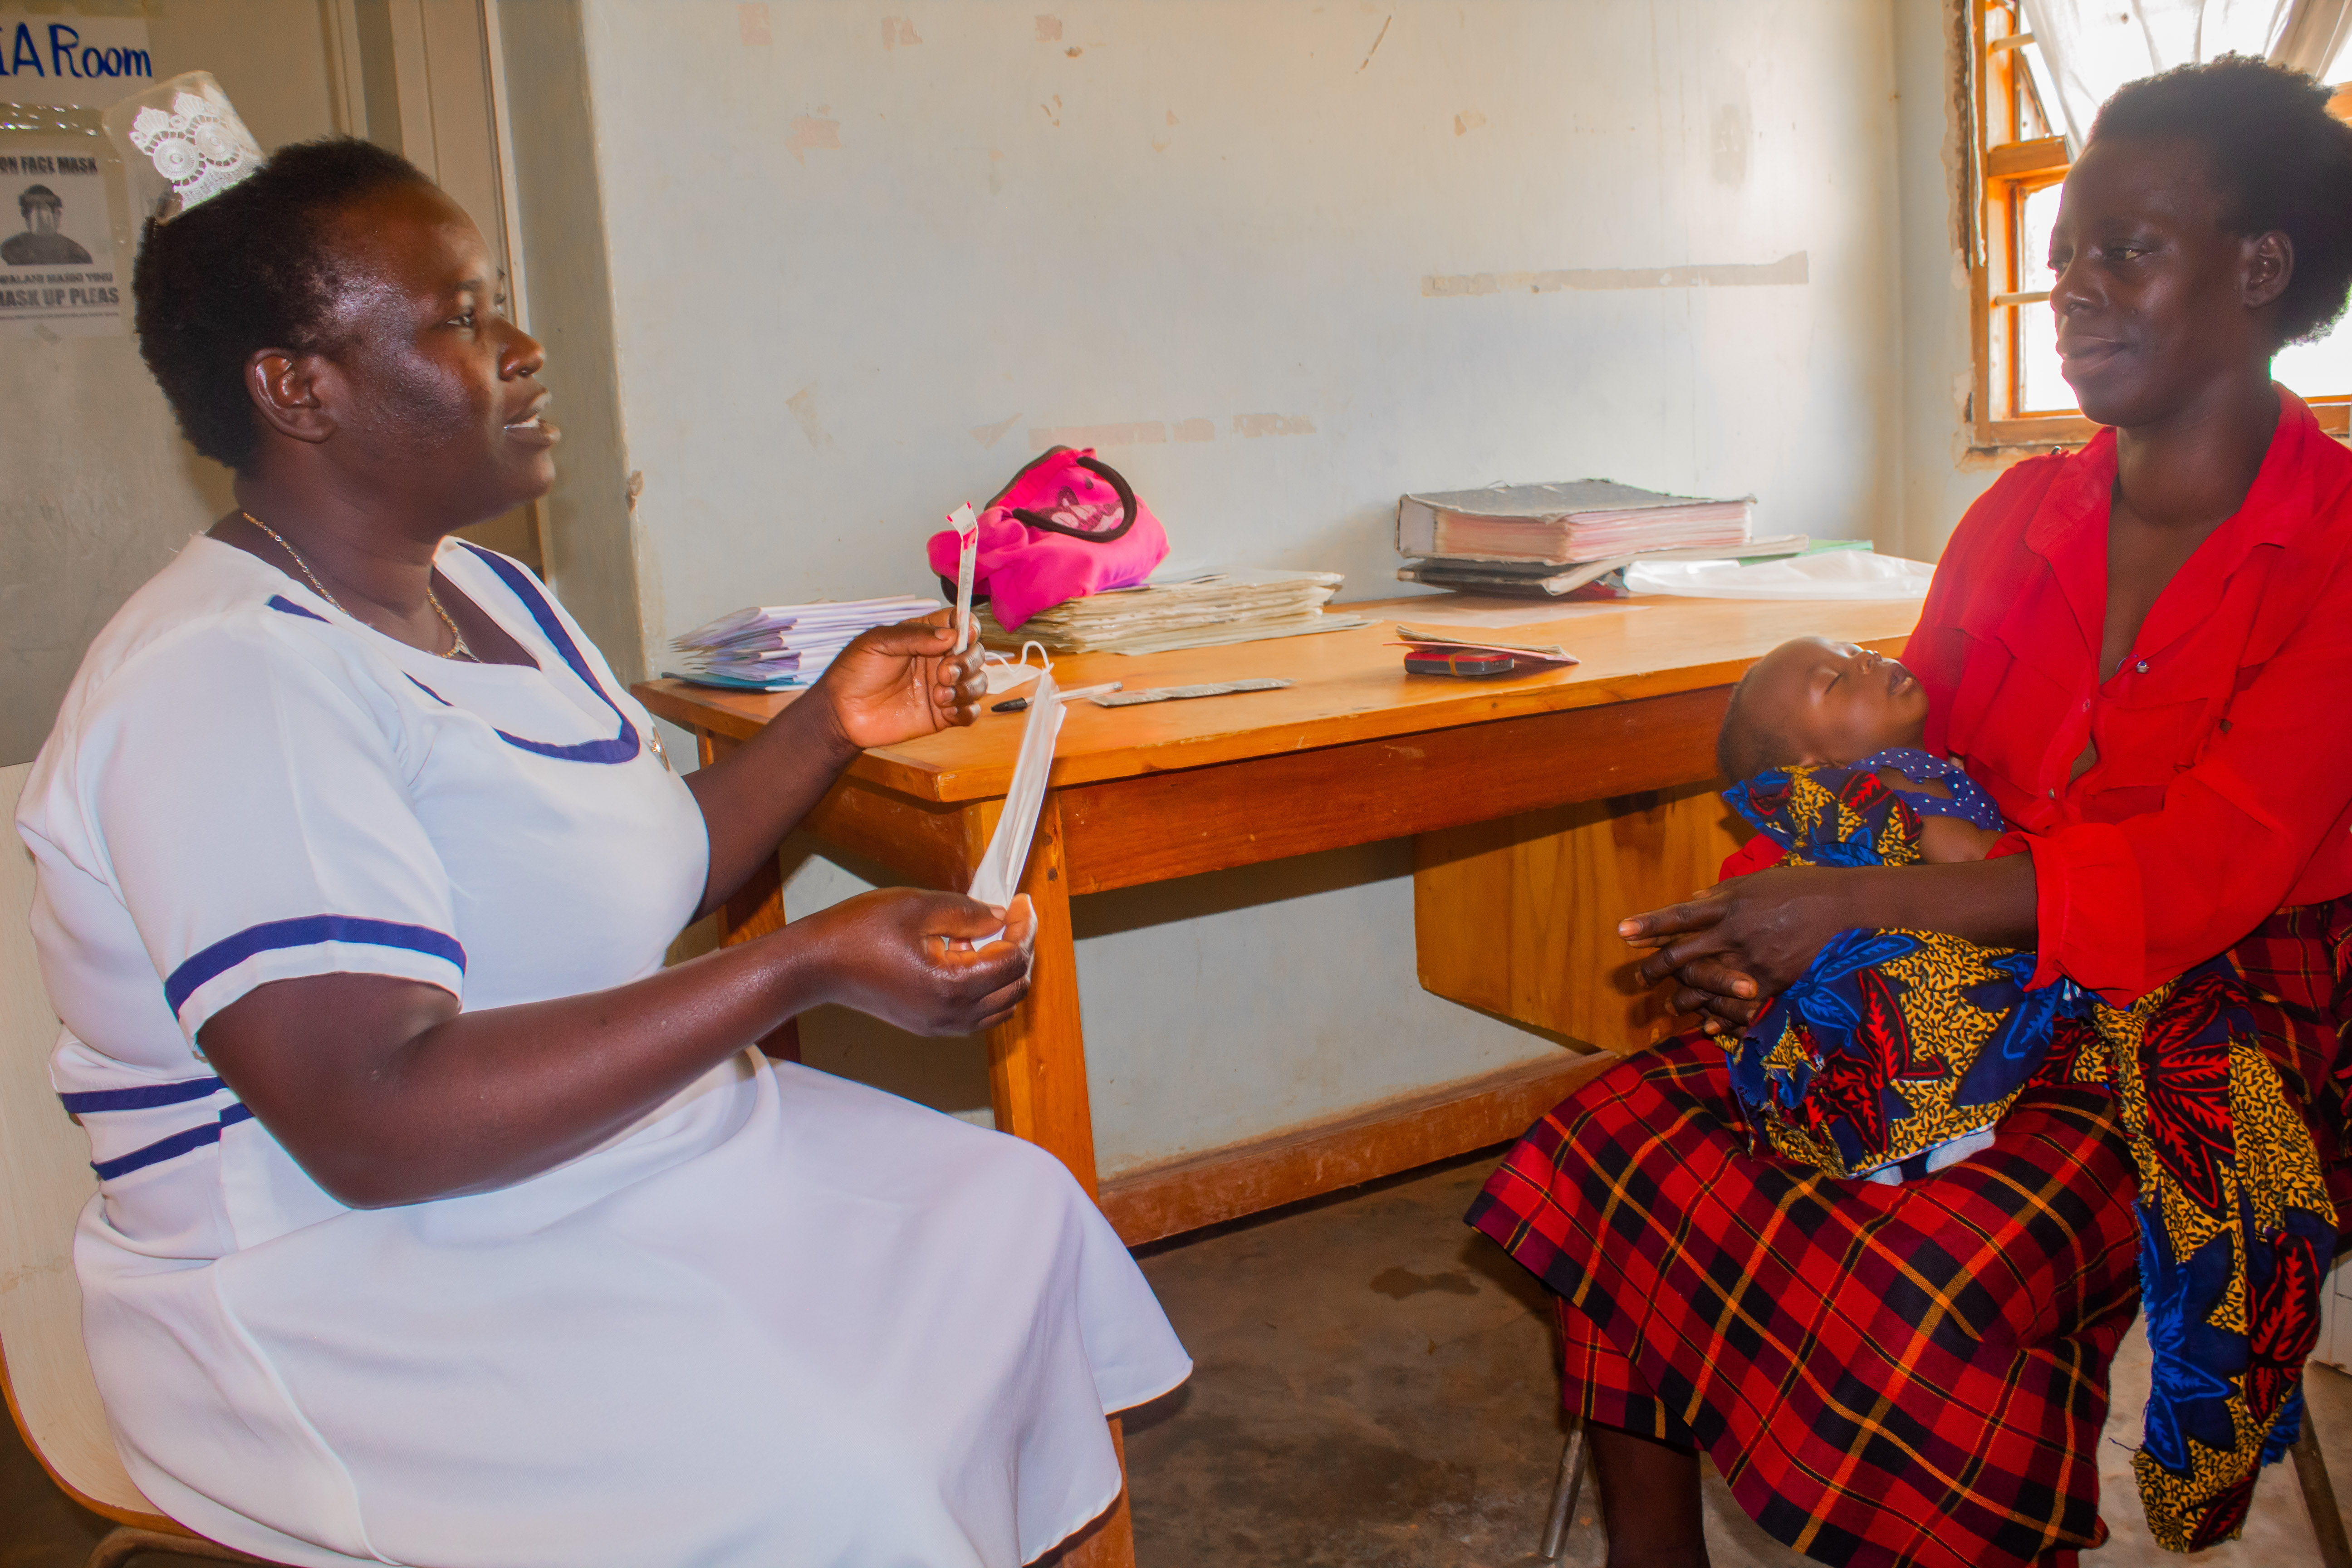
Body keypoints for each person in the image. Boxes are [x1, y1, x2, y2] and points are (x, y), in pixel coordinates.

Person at [15, 131, 1188, 1568]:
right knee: (833, 1484)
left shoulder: (486, 588)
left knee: (1012, 1216)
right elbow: (376, 1120)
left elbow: (637, 874)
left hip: (625, 1159)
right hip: (353, 1276)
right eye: (456, 316)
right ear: (294, 387)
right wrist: (804, 967)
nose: (522, 348)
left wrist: (826, 727)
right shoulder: (220, 684)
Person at [1470, 57, 2352, 1568]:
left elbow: (2201, 872)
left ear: (2259, 269)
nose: (2067, 284)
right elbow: (1870, 792)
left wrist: (1859, 912)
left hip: (2214, 1012)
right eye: (2062, 248)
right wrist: (1770, 920)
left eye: (2122, 249)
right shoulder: (2017, 517)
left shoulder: (2331, 553)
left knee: (1932, 1282)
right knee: (1616, 1138)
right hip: (1955, 960)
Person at [3, 182, 93, 265]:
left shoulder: (77, 253)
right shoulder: (10, 248)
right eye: (34, 209)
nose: (42, 216)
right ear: (25, 215)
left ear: (58, 214)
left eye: (47, 209)